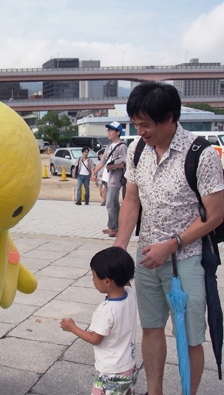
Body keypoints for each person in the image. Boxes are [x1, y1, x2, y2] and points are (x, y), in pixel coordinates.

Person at [114, 81, 224, 395]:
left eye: (145, 124)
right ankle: (154, 391)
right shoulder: (137, 150)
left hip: (186, 260)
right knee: (150, 328)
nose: (140, 131)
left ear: (170, 118)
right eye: (135, 124)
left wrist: (172, 244)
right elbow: (132, 200)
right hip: (146, 257)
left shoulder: (201, 154)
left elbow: (216, 215)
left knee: (190, 336)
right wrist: (121, 244)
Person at [60, 246, 137, 395]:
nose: (93, 279)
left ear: (107, 281)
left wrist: (72, 327)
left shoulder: (105, 310)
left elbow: (95, 339)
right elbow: (126, 281)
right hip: (129, 366)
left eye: (94, 276)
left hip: (111, 372)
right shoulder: (130, 294)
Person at [91, 121, 127, 237]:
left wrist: (114, 166)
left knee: (110, 203)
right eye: (108, 130)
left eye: (111, 130)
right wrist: (94, 173)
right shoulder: (108, 146)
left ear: (118, 132)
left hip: (115, 179)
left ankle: (113, 228)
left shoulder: (122, 147)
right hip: (106, 178)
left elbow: (126, 163)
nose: (109, 132)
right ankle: (114, 226)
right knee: (112, 203)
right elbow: (102, 161)